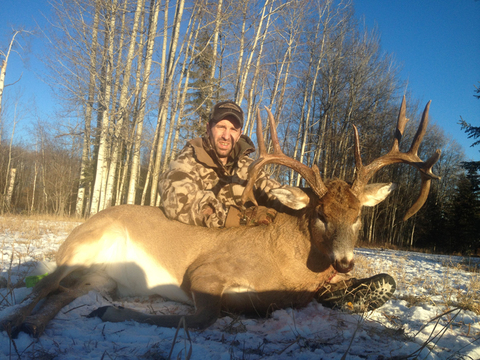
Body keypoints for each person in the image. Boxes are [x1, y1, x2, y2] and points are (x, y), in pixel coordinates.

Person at [159, 100, 280, 228]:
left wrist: (301, 201)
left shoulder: (250, 167)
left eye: (233, 129)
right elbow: (178, 200)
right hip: (200, 244)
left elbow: (273, 191)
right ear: (208, 128)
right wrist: (241, 218)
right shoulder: (189, 159)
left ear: (240, 134)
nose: (226, 136)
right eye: (221, 127)